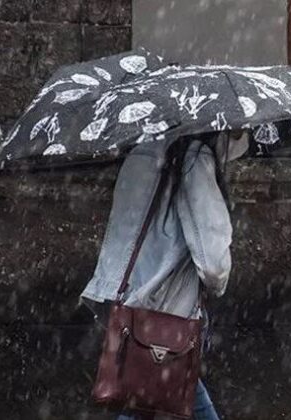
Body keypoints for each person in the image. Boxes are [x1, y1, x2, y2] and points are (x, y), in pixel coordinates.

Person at [80, 129, 250, 420]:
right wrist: (219, 279)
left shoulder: (141, 152)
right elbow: (213, 264)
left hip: (128, 303)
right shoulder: (194, 159)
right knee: (153, 396)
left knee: (145, 398)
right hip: (167, 310)